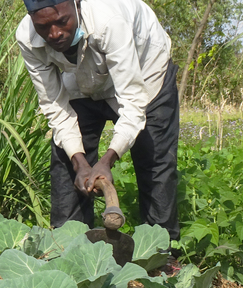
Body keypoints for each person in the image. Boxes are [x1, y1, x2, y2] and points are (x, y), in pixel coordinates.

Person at [17, 0, 181, 264]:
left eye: (62, 21)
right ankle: (67, 250)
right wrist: (80, 162)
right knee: (66, 161)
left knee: (154, 160)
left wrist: (106, 161)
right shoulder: (27, 37)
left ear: (77, 5)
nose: (55, 33)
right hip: (82, 78)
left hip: (144, 71)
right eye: (44, 26)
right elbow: (54, 106)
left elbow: (133, 102)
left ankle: (161, 255)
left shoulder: (109, 20)